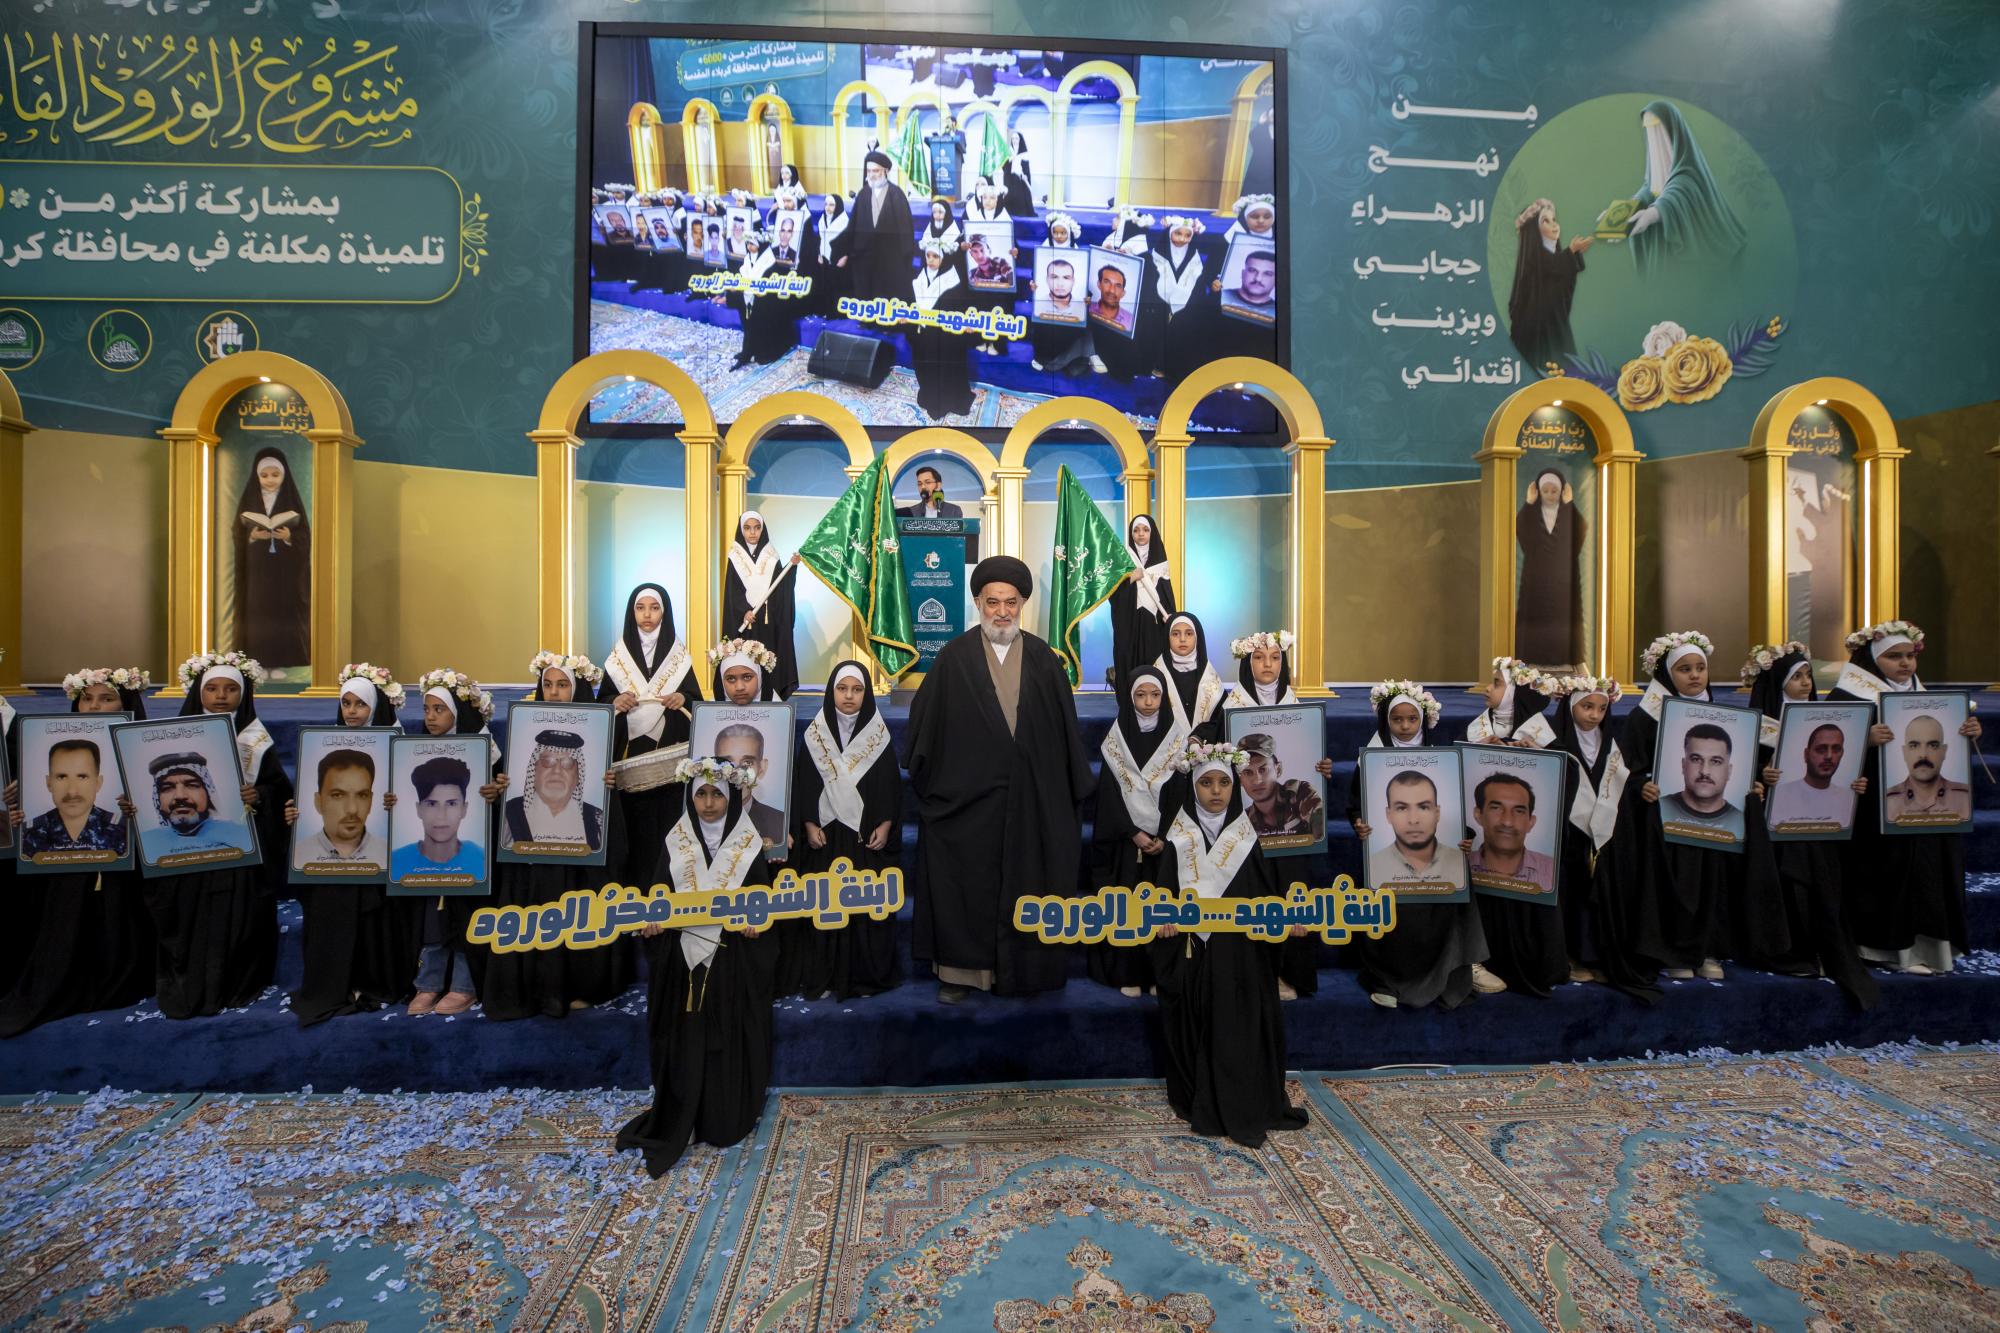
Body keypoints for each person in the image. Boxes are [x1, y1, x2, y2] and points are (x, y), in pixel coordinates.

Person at [904, 556, 1093, 1002]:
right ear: (978, 603)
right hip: (968, 804)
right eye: (993, 602)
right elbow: (925, 732)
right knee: (966, 889)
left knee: (1029, 885)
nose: (1002, 612)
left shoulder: (1045, 660)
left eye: (1011, 603)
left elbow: (1065, 735)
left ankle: (1027, 971)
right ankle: (962, 974)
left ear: (1022, 604)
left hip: (1031, 802)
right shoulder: (953, 659)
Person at [617, 758, 776, 1178]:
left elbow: (762, 901)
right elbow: (659, 892)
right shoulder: (676, 841)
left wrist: (756, 923)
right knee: (684, 1035)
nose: (708, 803)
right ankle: (682, 1114)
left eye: (716, 795)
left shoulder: (749, 845)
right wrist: (653, 921)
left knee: (723, 1034)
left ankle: (721, 1114)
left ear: (731, 798)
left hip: (729, 960)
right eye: (701, 794)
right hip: (682, 960)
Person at [1148, 740, 1310, 1149]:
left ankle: (1245, 1099)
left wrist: (1286, 925)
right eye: (1206, 783)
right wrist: (1162, 925)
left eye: (1223, 782)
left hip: (1242, 958)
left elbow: (1269, 897)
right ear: (1193, 788)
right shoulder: (1177, 840)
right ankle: (1201, 1097)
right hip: (1194, 955)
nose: (1216, 791)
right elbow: (1161, 901)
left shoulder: (1250, 839)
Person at [1620, 632, 1786, 984]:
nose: (1695, 675)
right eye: (1685, 669)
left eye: (1700, 668)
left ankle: (1708, 950)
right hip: (1666, 823)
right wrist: (1641, 786)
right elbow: (1625, 770)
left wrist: (1754, 783)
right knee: (1675, 885)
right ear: (1667, 674)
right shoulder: (1644, 718)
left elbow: (1743, 765)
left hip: (1717, 821)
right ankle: (1672, 952)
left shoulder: (1727, 717)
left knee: (1714, 885)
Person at [0, 668, 156, 1037]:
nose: (95, 706)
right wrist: (16, 808)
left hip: (123, 865)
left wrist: (138, 808)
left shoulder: (145, 747)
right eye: (87, 699)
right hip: (59, 863)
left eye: (107, 699)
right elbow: (28, 813)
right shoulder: (44, 747)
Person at [479, 654, 630, 1021]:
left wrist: (608, 785)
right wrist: (499, 788)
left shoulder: (592, 817)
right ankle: (533, 990)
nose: (554, 692)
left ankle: (577, 987)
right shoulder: (517, 816)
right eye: (548, 685)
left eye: (563, 685)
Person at [143, 654, 290, 1019]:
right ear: (198, 692)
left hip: (239, 856)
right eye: (211, 688)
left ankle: (236, 980)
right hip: (187, 856)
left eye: (230, 689)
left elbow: (278, 790)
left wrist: (260, 796)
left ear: (244, 694)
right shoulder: (174, 737)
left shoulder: (256, 740)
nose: (221, 696)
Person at [1830, 621, 1980, 975]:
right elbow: (1828, 748)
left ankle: (1932, 950)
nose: (1905, 663)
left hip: (1933, 809)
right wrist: (1864, 738)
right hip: (1876, 812)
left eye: (1910, 656)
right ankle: (1888, 950)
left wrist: (1969, 732)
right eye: (1894, 656)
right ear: (1873, 660)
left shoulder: (1927, 697)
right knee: (1888, 876)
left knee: (1930, 874)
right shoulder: (1847, 695)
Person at [1347, 681, 1502, 1009]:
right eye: (1397, 720)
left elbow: (1457, 805)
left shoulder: (1441, 759)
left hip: (1436, 857)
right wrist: (1360, 823)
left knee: (1457, 874)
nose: (1404, 726)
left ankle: (1459, 966)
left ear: (1423, 720)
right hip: (1389, 858)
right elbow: (1356, 805)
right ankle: (1388, 978)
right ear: (1385, 721)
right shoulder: (1370, 761)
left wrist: (1463, 835)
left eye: (1411, 719)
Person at [286, 667, 423, 1026]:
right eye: (346, 703)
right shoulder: (322, 749)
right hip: (329, 863)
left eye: (360, 704)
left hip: (379, 858)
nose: (351, 711)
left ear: (375, 707)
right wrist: (295, 813)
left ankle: (375, 981)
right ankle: (335, 982)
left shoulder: (397, 747)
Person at [1744, 645, 1877, 1009]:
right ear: (1778, 683)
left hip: (1820, 821)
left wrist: (1854, 783)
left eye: (1808, 676)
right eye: (1796, 677)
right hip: (1778, 831)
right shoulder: (1762, 724)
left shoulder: (1824, 720)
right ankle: (1788, 950)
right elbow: (1746, 770)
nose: (1805, 683)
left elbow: (1843, 766)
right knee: (1791, 882)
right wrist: (1762, 776)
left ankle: (1822, 946)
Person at [1530, 675, 1659, 999]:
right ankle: (1570, 955)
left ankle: (1595, 954)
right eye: (1587, 707)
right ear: (1571, 706)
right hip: (1567, 835)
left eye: (1602, 709)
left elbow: (1624, 781)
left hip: (1601, 835)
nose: (1594, 715)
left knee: (1596, 897)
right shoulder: (1554, 739)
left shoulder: (1612, 744)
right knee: (1570, 897)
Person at [785, 661, 901, 1000]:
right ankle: (824, 977)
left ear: (867, 694)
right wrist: (808, 823)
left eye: (857, 689)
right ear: (831, 692)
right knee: (825, 906)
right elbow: (804, 782)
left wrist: (886, 823)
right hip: (825, 837)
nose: (849, 696)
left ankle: (863, 978)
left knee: (863, 909)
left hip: (864, 836)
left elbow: (889, 785)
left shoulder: (878, 734)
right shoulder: (814, 735)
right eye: (842, 689)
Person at [403, 670, 501, 1016]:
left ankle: (464, 985)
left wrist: (495, 794)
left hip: (470, 857)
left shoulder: (488, 754)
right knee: (433, 916)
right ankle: (428, 983)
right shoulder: (415, 752)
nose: (430, 717)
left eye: (439, 710)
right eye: (426, 709)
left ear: (458, 713)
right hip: (429, 854)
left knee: (465, 915)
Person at [1087, 667, 1186, 997]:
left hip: (1165, 845)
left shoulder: (1177, 740)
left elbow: (1181, 794)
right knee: (1128, 906)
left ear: (1164, 698)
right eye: (1141, 695)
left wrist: (1164, 837)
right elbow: (1109, 795)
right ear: (1130, 698)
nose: (1148, 702)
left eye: (1155, 695)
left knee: (1162, 907)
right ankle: (1128, 973)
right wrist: (1133, 832)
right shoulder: (1116, 741)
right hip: (1126, 843)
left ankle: (1159, 974)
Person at [606, 583, 700, 893]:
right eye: (640, 608)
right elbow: (604, 699)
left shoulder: (678, 656)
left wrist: (682, 697)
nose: (647, 614)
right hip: (629, 759)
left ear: (664, 612)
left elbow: (693, 697)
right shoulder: (618, 658)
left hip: (668, 763)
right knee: (633, 830)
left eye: (654, 608)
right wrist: (615, 701)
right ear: (631, 612)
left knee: (667, 828)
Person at [1467, 770, 1569, 997]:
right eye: (1496, 808)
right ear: (1478, 814)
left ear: (1531, 822)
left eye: (1519, 811)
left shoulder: (1550, 870)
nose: (1507, 821)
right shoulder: (1460, 869)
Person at [1625, 100, 1747, 279]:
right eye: (1650, 131)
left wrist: (1652, 214)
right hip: (1662, 249)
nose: (1656, 140)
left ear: (1673, 132)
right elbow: (1650, 189)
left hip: (1689, 252)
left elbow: (1676, 193)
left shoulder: (1689, 173)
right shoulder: (1655, 169)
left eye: (1659, 130)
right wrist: (1624, 210)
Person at [234, 448, 310, 672]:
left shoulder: (291, 500)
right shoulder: (250, 499)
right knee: (258, 617)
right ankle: (258, 663)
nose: (270, 480)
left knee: (281, 616)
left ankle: (279, 663)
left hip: (285, 574)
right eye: (264, 475)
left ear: (283, 476)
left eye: (275, 475)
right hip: (257, 573)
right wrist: (252, 536)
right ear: (257, 476)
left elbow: (305, 536)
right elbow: (236, 533)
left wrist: (289, 537)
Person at [1505, 199, 1591, 375]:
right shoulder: (1533, 261)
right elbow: (1548, 267)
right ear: (1534, 230)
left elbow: (1559, 280)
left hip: (1555, 328)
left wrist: (1572, 254)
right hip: (1535, 336)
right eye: (1546, 221)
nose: (1554, 225)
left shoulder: (1552, 258)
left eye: (1554, 219)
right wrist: (1570, 253)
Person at [722, 512, 801, 699]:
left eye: (757, 528)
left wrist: (791, 567)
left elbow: (780, 587)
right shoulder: (735, 556)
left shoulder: (771, 555)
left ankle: (771, 695)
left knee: (768, 660)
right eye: (747, 528)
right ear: (741, 530)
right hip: (747, 622)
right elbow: (733, 591)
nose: (752, 532)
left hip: (768, 621)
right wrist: (743, 610)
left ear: (762, 529)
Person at [1514, 468, 1587, 667]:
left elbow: (1579, 531)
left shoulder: (1568, 512)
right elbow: (1521, 530)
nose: (1549, 495)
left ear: (1561, 491)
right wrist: (1529, 503)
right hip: (1535, 577)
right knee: (1535, 616)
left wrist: (1569, 504)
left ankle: (1563, 657)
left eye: (1554, 491)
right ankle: (1532, 657)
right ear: (1538, 491)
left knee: (1562, 618)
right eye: (1545, 491)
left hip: (1563, 577)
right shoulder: (1532, 513)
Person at [500, 729, 606, 852]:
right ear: (534, 770)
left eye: (567, 763)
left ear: (578, 776)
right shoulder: (507, 815)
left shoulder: (597, 819)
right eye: (548, 761)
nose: (557, 771)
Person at [20, 738, 125, 859]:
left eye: (82, 777)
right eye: (62, 777)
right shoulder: (26, 834)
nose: (72, 791)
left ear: (98, 783)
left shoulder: (124, 830)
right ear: (49, 783)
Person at [1140, 216, 1214, 382]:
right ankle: (1157, 363)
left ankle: (1176, 366)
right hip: (1159, 307)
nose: (1182, 239)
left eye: (1187, 235)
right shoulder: (1156, 258)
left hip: (1185, 311)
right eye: (1178, 234)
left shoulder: (1195, 262)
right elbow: (1149, 285)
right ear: (1169, 234)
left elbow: (1199, 290)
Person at [908, 237, 975, 420]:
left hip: (945, 340)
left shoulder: (952, 282)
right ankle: (929, 396)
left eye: (935, 256)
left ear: (944, 259)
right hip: (923, 335)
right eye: (928, 255)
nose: (930, 260)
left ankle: (945, 402)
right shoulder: (920, 277)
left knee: (944, 369)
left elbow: (959, 311)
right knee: (924, 366)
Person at [843, 149, 917, 302]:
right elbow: (853, 225)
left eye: (875, 171)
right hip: (865, 259)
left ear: (886, 171)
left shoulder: (897, 194)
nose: (871, 175)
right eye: (869, 171)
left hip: (890, 260)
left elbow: (906, 231)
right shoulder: (863, 194)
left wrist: (904, 259)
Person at [1108, 515, 1175, 677]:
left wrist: (1170, 614)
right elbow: (1113, 594)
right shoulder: (1123, 559)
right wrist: (1130, 579)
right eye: (1136, 530)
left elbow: (1166, 593)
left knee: (1155, 663)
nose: (1141, 534)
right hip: (1130, 622)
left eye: (1145, 530)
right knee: (1130, 662)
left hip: (1154, 623)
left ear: (1152, 533)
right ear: (1131, 534)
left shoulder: (1160, 561)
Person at [712, 721, 788, 852]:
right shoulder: (697, 818)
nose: (737, 773)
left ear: (762, 768)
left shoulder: (780, 823)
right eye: (727, 762)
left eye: (747, 762)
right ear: (714, 767)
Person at [728, 232, 797, 368]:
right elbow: (744, 275)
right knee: (747, 321)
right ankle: (747, 351)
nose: (749, 246)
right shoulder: (748, 258)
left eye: (752, 244)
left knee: (759, 321)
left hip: (766, 303)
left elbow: (770, 288)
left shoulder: (769, 262)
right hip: (749, 297)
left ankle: (762, 352)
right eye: (748, 243)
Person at [1885, 715, 1972, 823]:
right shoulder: (1887, 801)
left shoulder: (1965, 797)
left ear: (1944, 751)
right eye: (1914, 746)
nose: (1923, 755)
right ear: (1904, 753)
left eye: (1933, 745)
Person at [1659, 724, 1745, 833]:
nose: (1705, 771)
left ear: (1729, 771)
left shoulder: (1743, 823)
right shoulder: (1658, 808)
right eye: (1696, 759)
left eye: (1716, 761)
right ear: (1683, 765)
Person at [1156, 612, 1224, 742]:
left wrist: (1199, 737)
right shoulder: (1156, 676)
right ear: (1167, 638)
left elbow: (1219, 721)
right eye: (1175, 634)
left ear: (1197, 637)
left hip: (1205, 749)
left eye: (1189, 633)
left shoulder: (1210, 678)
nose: (1182, 639)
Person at [1469, 657, 1552, 744]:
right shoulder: (1479, 727)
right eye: (1491, 682)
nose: (1488, 688)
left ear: (1513, 692)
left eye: (1496, 684)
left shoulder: (1537, 734)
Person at [800, 193, 849, 318]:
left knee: (837, 287)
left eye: (831, 205)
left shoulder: (845, 222)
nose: (828, 207)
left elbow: (850, 243)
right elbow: (820, 239)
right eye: (826, 204)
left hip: (839, 261)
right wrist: (819, 254)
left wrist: (845, 257)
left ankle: (836, 313)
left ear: (838, 206)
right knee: (824, 285)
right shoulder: (822, 219)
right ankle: (824, 310)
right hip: (825, 259)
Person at [1220, 249, 1277, 322]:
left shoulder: (1278, 312)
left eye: (1267, 274)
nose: (1258, 279)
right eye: (1252, 270)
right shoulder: (1220, 296)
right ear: (1243, 274)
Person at [1087, 261, 1135, 335]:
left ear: (1123, 293)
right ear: (1099, 284)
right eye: (1107, 282)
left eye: (1118, 286)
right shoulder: (1086, 309)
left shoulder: (1132, 321)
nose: (1112, 290)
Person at [897, 465, 964, 518]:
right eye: (920, 484)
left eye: (928, 482)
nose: (923, 487)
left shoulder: (954, 511)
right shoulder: (911, 512)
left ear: (938, 485)